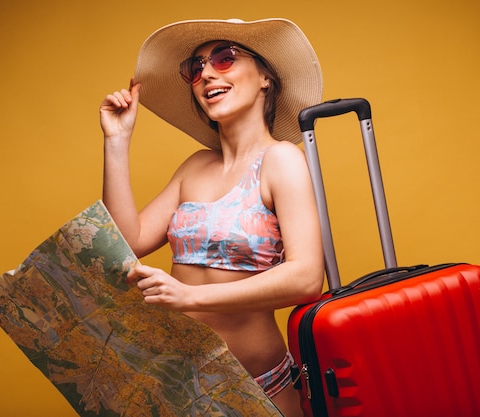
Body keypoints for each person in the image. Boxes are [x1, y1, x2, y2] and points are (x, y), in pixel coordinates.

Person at [99, 18, 324, 417]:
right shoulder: (195, 166)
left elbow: (306, 277)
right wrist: (117, 142)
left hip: (259, 391)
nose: (206, 74)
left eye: (224, 59)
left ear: (265, 78)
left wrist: (191, 297)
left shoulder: (281, 160)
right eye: (195, 67)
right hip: (179, 388)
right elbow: (125, 243)